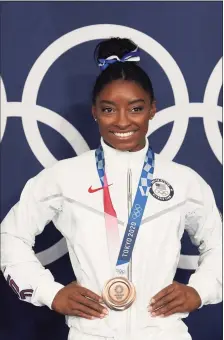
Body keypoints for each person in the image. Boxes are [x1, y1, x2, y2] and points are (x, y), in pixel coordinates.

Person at [1, 38, 222, 340]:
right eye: (108, 109)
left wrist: (201, 290)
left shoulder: (185, 181)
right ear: (94, 111)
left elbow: (218, 243)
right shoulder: (64, 177)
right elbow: (10, 236)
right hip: (90, 333)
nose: (122, 121)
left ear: (153, 109)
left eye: (136, 108)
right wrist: (47, 292)